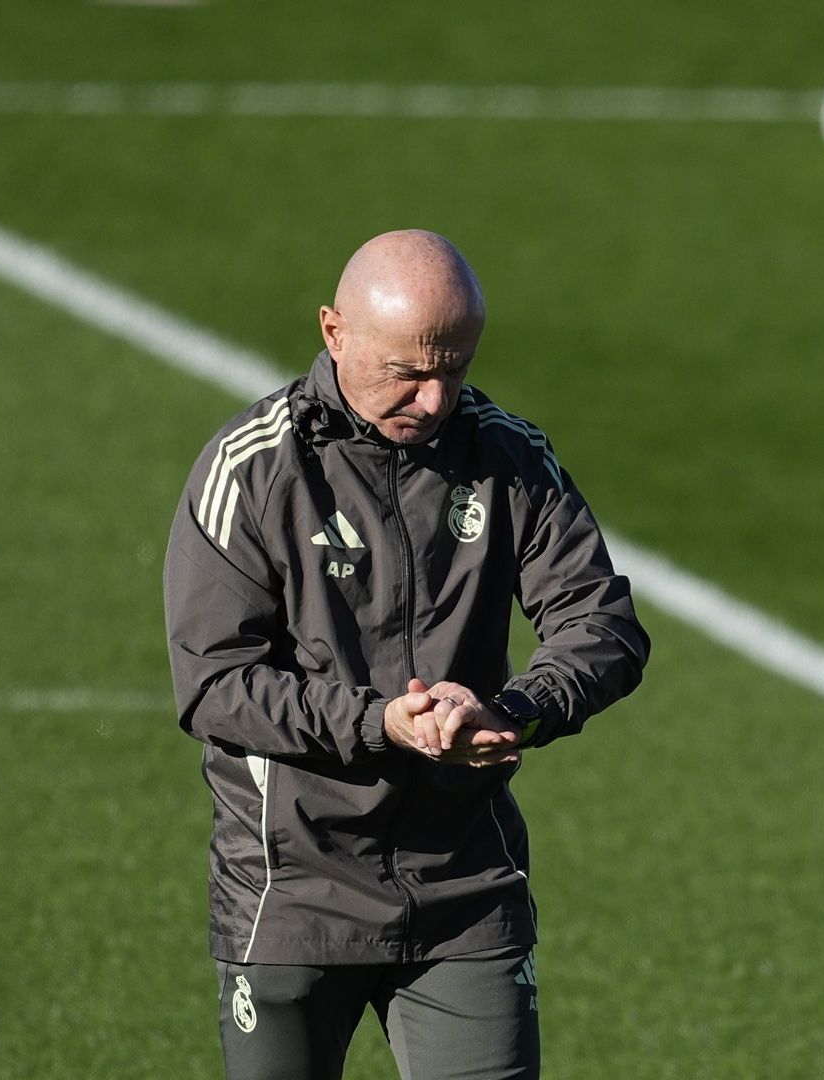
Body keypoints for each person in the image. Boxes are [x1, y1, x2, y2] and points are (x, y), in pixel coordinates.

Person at [164, 230, 651, 1079]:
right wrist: (381, 722)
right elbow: (214, 686)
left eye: (454, 369)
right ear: (334, 331)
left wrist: (516, 710)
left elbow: (601, 621)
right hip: (293, 891)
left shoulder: (507, 457)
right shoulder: (252, 470)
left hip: (465, 887)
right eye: (407, 372)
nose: (433, 399)